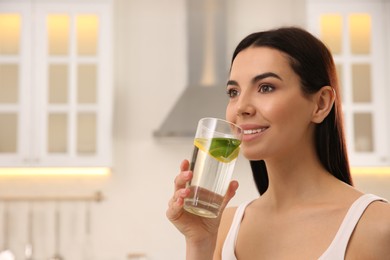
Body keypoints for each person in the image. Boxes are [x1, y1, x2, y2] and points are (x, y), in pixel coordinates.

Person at [166, 27, 390, 259]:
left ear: (321, 104)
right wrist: (199, 244)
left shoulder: (377, 227)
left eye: (266, 87)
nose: (241, 107)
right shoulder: (224, 226)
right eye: (233, 92)